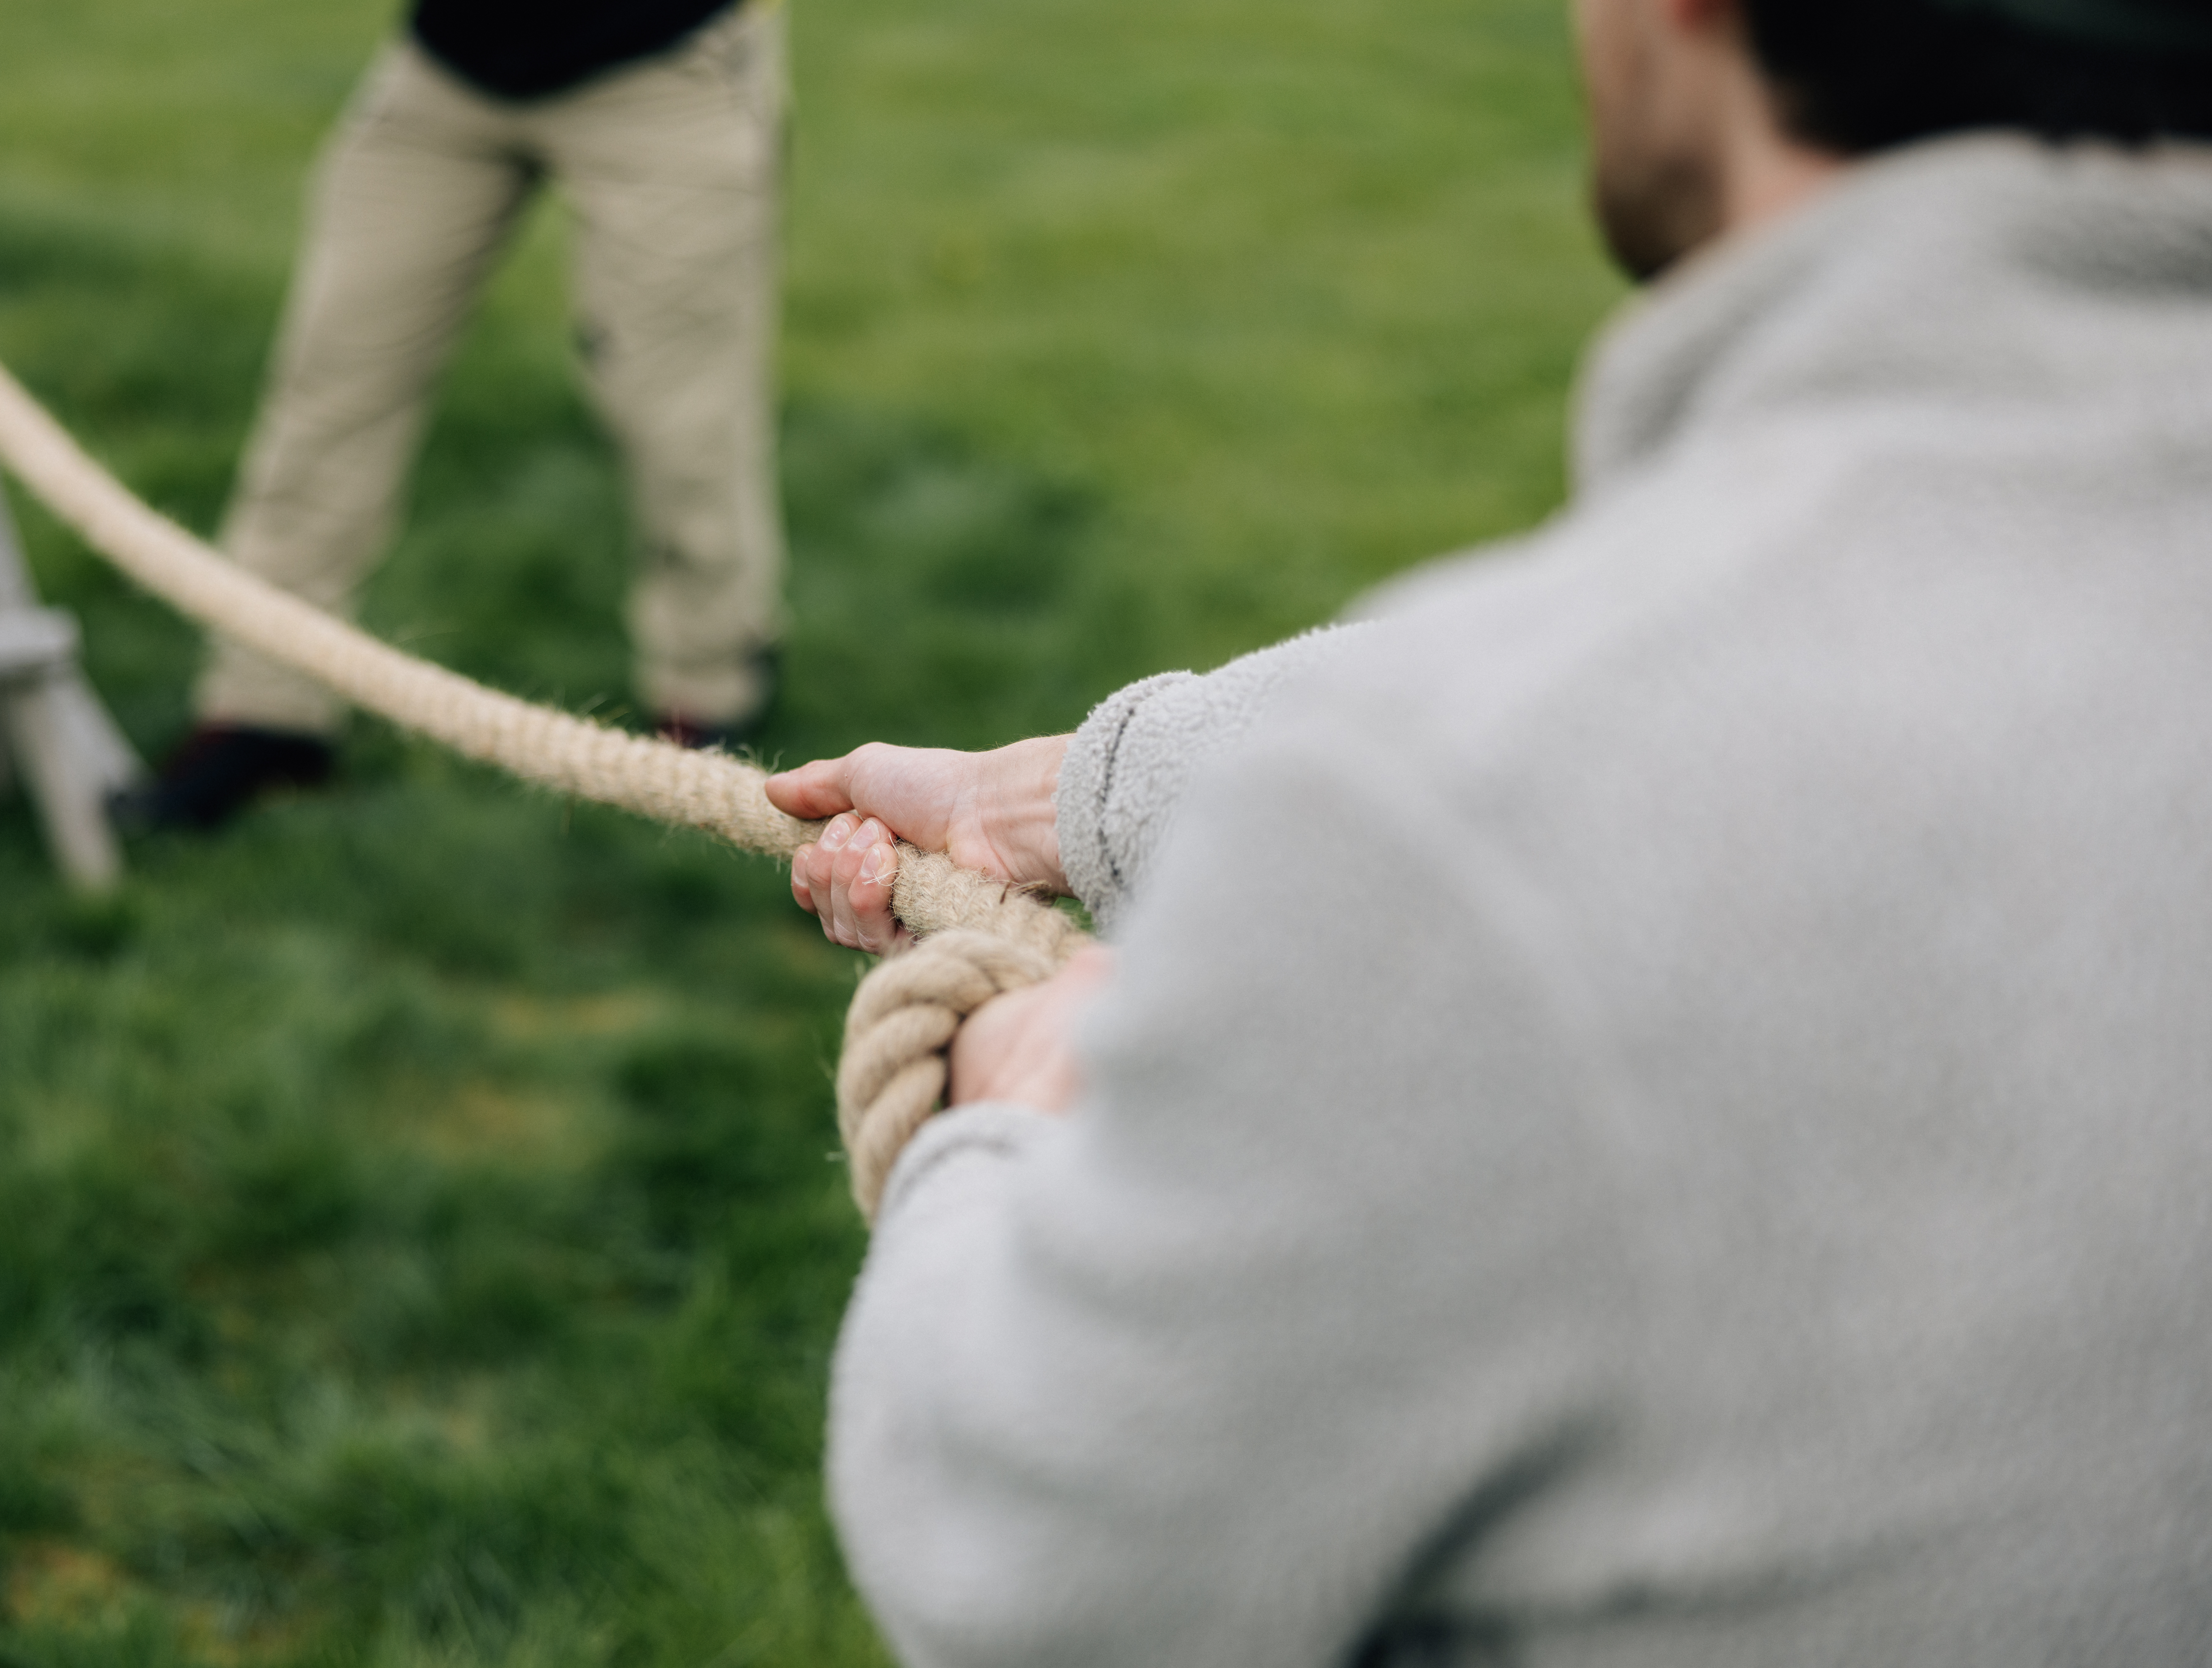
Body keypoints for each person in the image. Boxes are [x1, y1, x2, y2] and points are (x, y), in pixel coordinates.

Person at [764, 0, 2212, 1659]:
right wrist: (1075, 796)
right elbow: (1882, 637)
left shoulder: (1449, 846)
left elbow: (1028, 1582)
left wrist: (1005, 1117)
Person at [116, 0, 788, 833]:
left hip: (661, 62)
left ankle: (711, 685)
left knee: (679, 424)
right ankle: (265, 712)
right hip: (448, 70)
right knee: (329, 393)